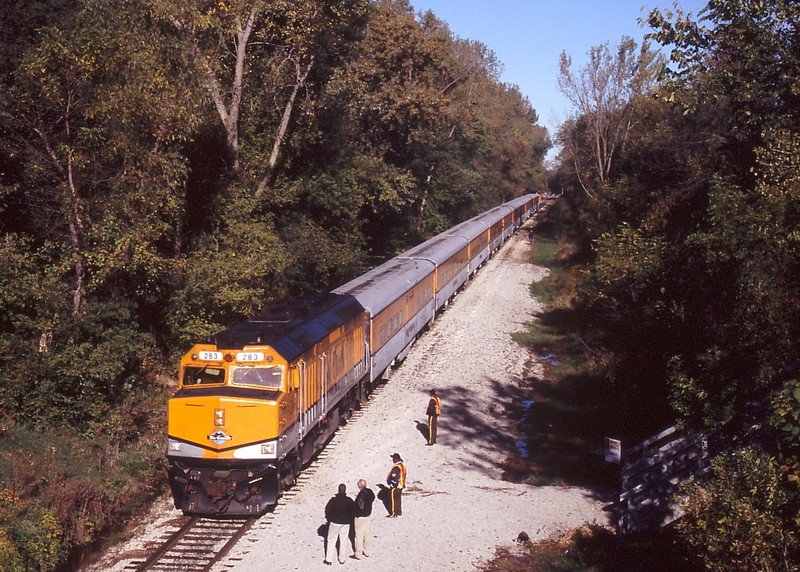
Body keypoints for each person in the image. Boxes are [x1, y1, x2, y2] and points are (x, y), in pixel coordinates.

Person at [324, 483, 356, 565]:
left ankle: (329, 559)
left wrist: (329, 519)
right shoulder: (349, 500)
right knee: (343, 540)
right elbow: (353, 511)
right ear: (345, 490)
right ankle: (342, 559)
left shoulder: (333, 500)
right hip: (345, 523)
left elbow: (327, 510)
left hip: (334, 522)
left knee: (331, 540)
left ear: (338, 490)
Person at [352, 479, 375, 559]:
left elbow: (360, 507)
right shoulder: (370, 492)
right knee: (367, 534)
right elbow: (373, 498)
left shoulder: (361, 495)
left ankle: (358, 553)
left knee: (359, 535)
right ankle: (367, 551)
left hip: (360, 517)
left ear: (359, 486)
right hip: (368, 515)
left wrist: (355, 513)